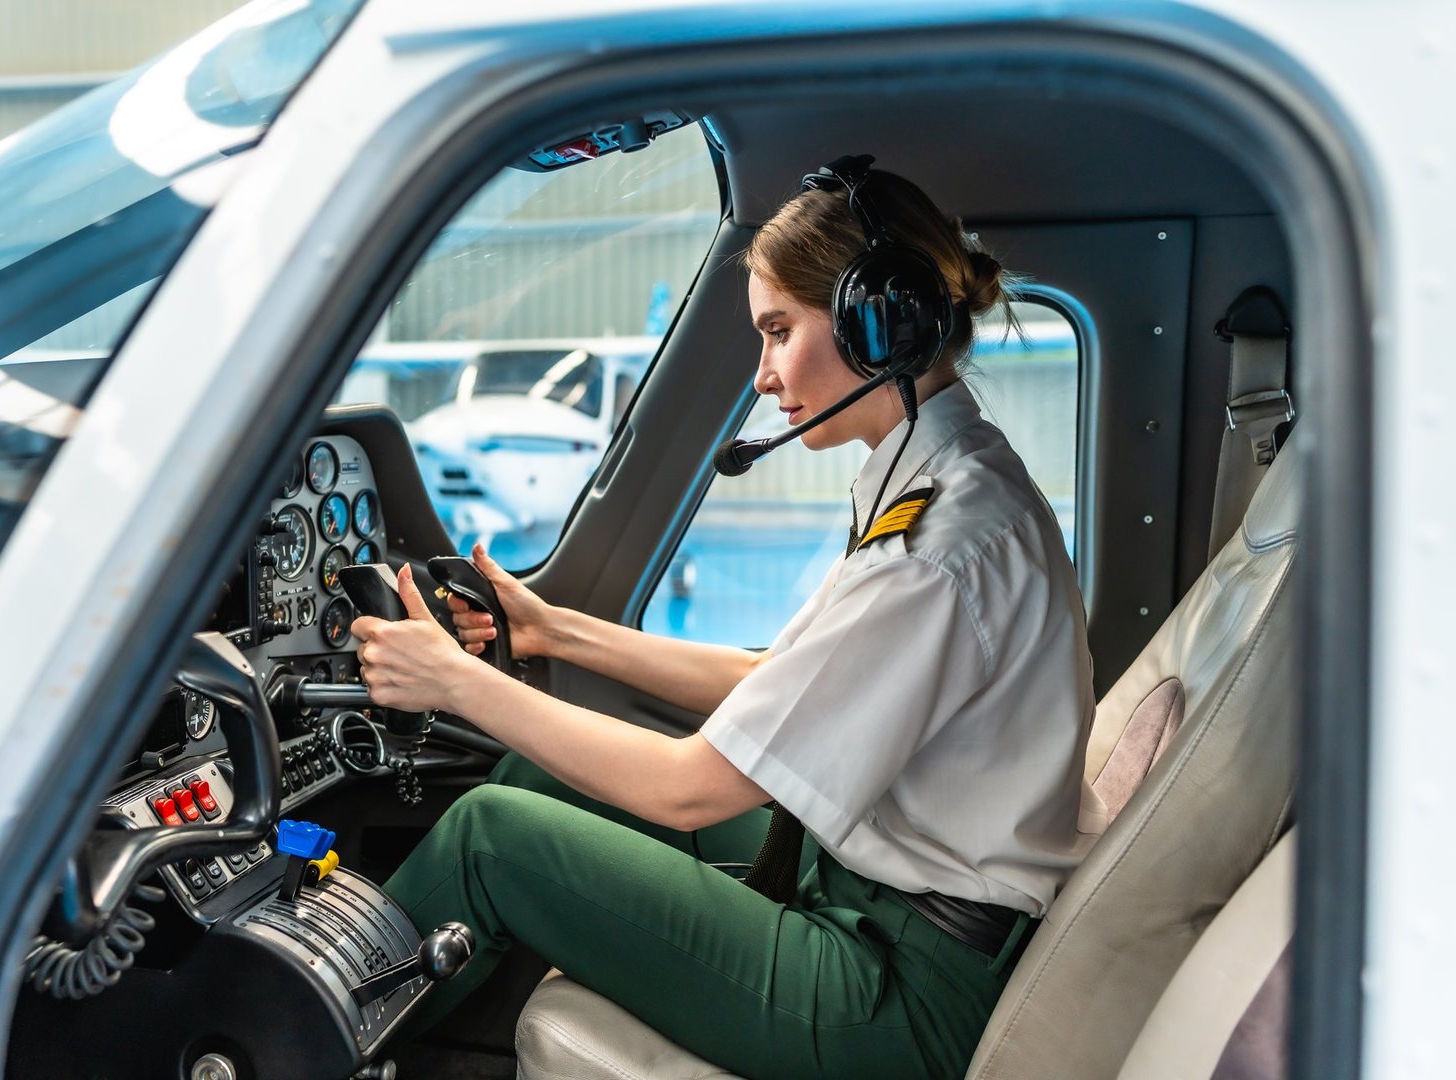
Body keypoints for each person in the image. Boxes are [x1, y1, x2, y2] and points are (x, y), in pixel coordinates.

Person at [351, 157, 1094, 1080]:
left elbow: (690, 789)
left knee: (489, 837)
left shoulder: (937, 548)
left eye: (779, 331)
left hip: (901, 993)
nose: (764, 374)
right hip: (873, 893)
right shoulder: (943, 482)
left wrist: (454, 681)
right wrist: (553, 631)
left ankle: (286, 1051)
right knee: (535, 781)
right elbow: (769, 686)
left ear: (879, 321)